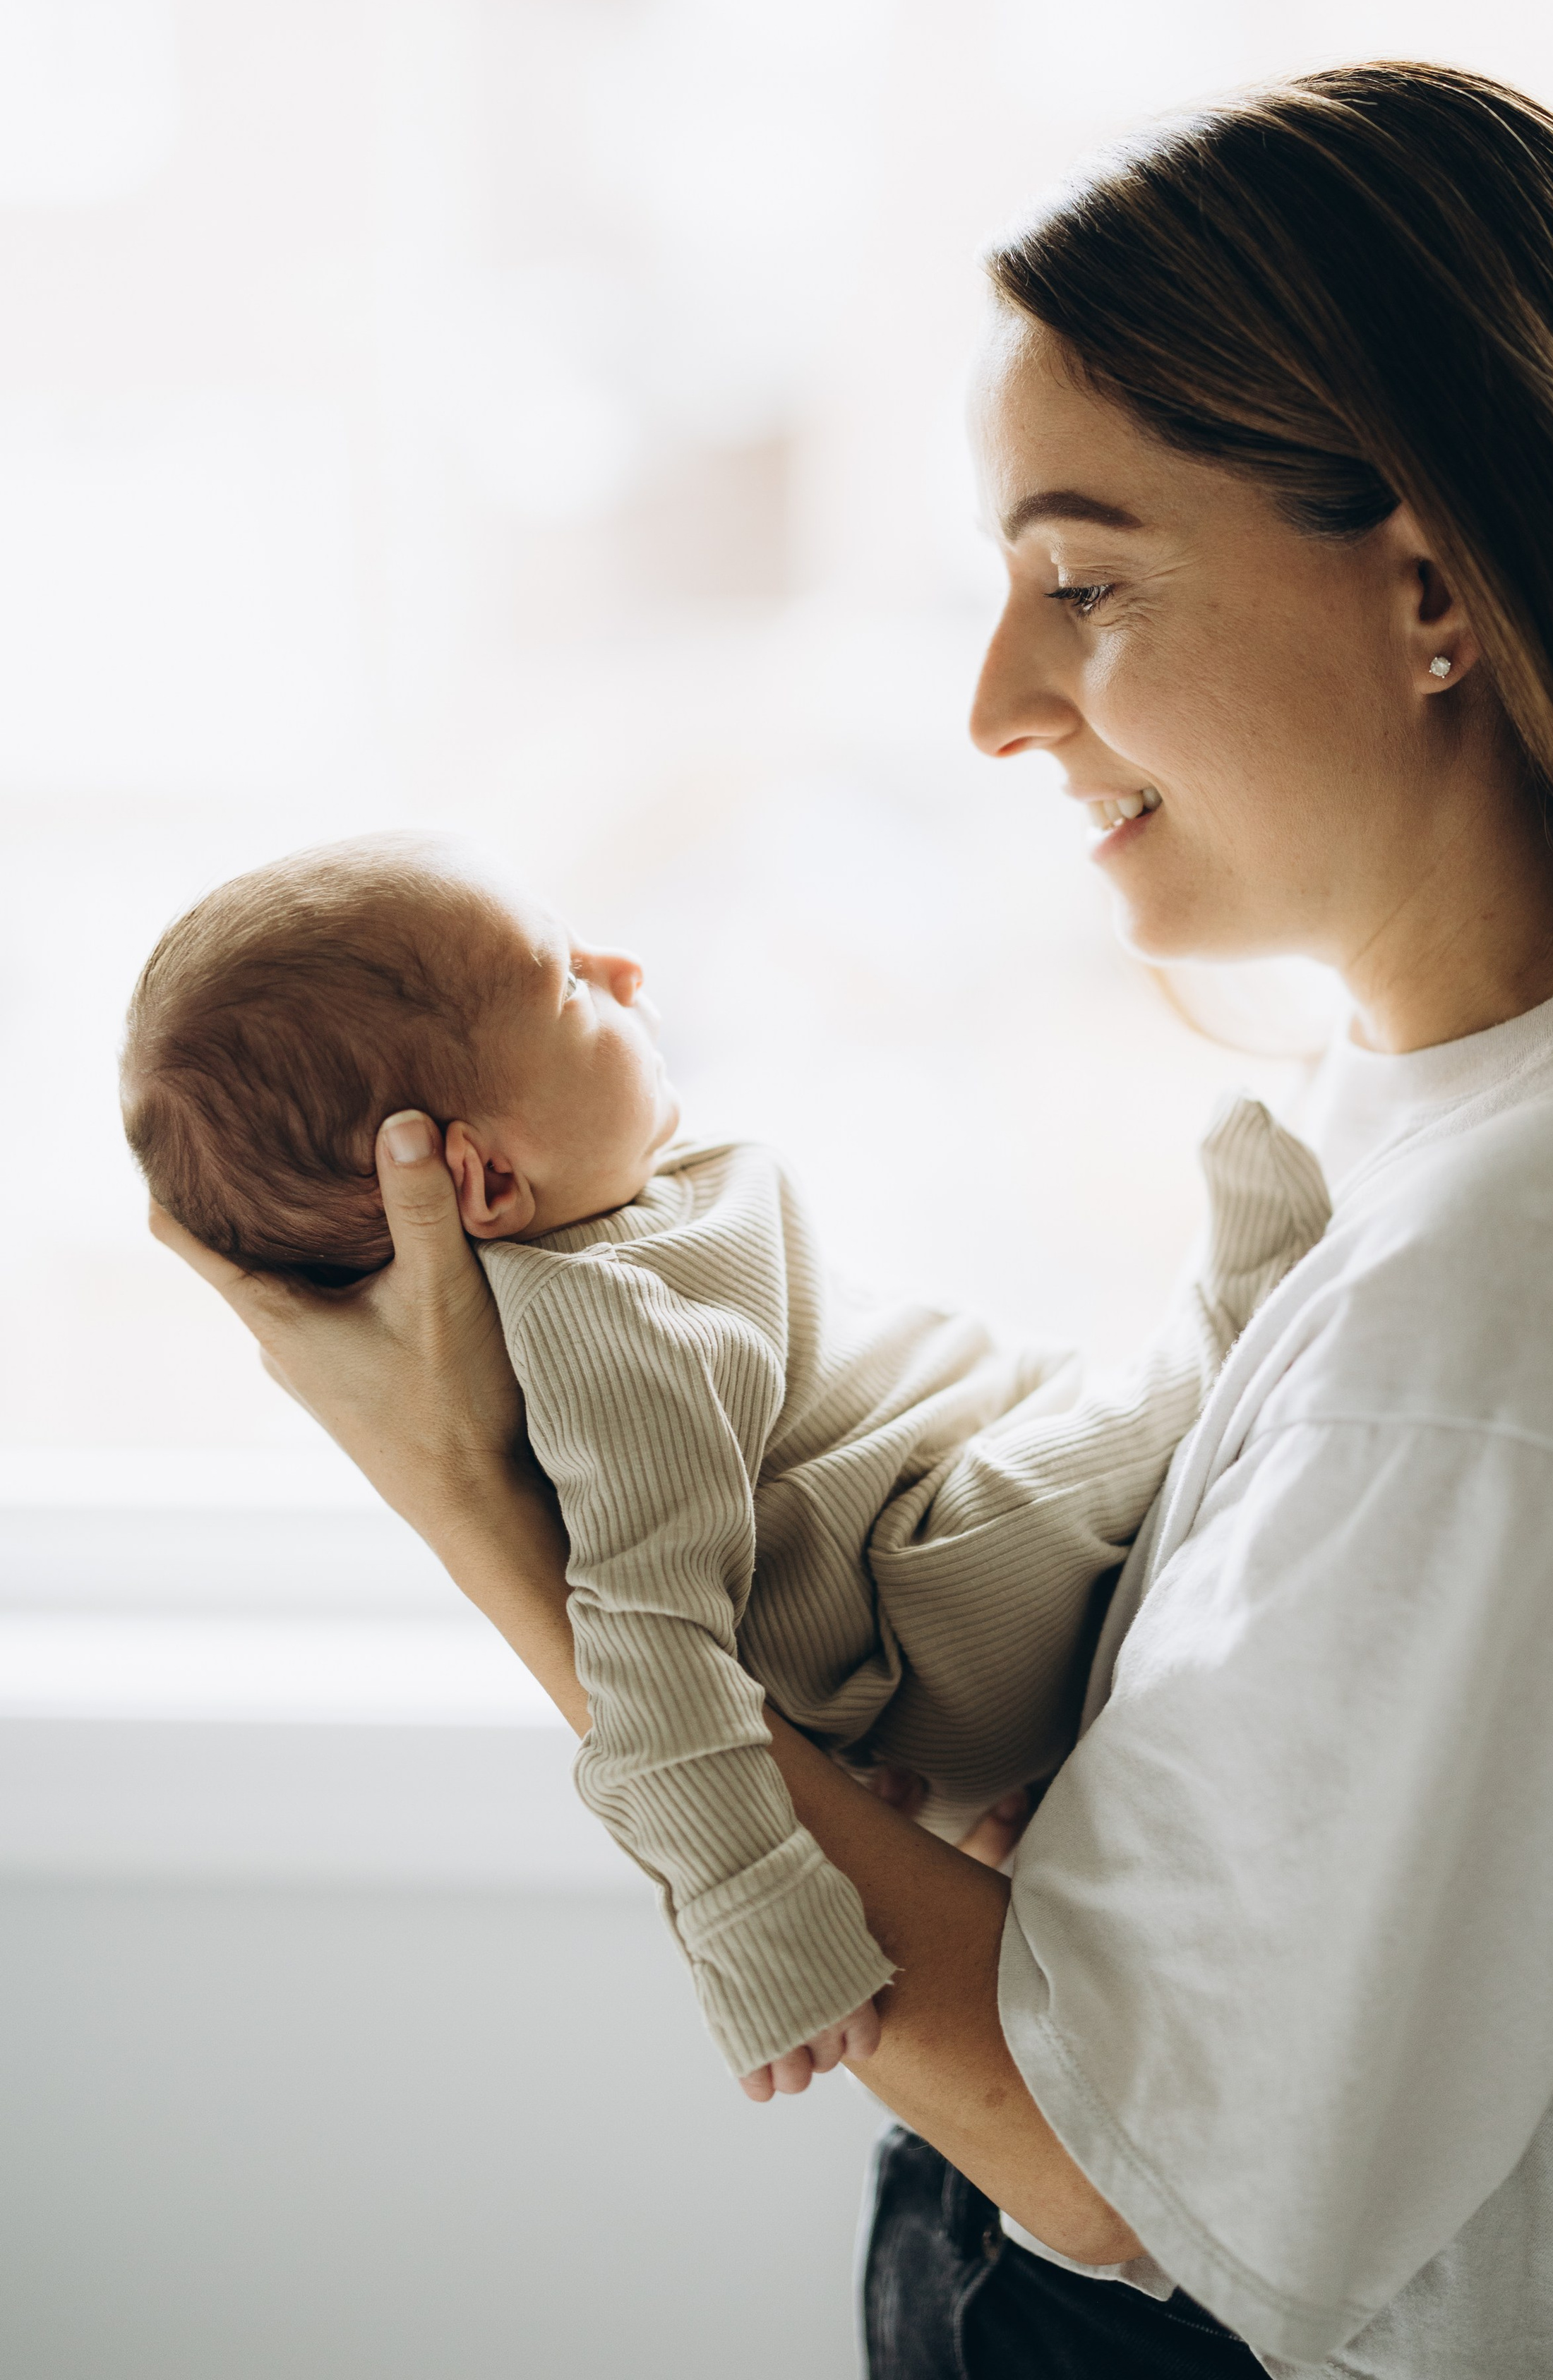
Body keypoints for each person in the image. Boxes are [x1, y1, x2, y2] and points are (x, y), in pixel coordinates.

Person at [150, 64, 1553, 2379]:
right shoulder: (1454, 1128)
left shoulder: (1552, 1298)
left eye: (1083, 580)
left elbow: (1127, 2167)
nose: (995, 700)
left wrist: (490, 1532)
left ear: (1435, 586)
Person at [121, 832, 1328, 2089]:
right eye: (567, 985)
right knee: (1047, 1475)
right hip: (935, 1602)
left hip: (926, 1543)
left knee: (1025, 1427)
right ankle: (1225, 1331)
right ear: (480, 1176)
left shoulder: (623, 1221)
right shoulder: (602, 1323)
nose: (626, 968)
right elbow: (644, 1642)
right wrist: (750, 1909)